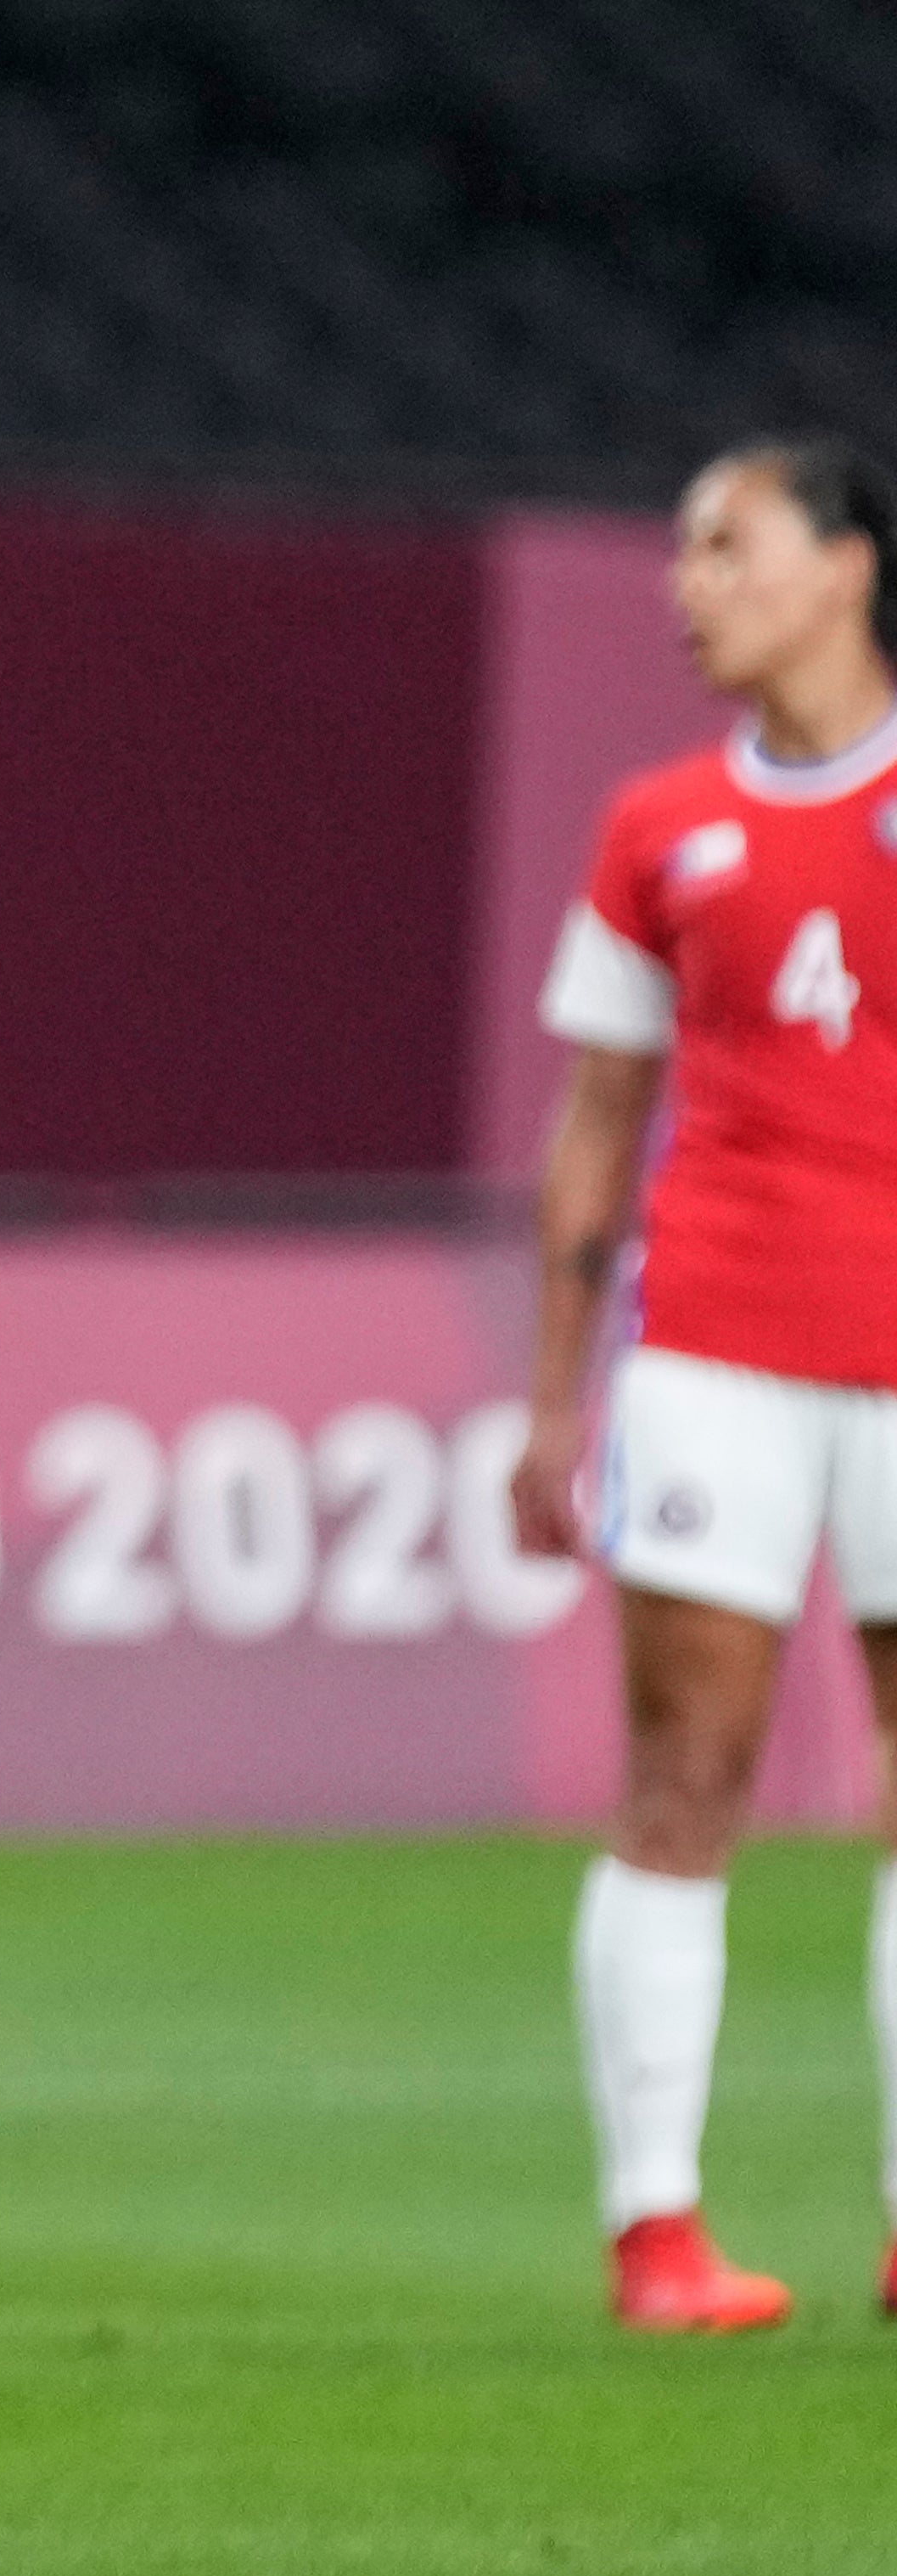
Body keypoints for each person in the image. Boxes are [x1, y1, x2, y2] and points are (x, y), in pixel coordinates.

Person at [515, 434, 897, 2336]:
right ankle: (656, 2229)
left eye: (728, 544)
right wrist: (551, 1399)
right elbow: (596, 1129)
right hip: (721, 1349)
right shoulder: (658, 824)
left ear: (844, 568)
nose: (688, 584)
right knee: (687, 1773)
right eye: (678, 548)